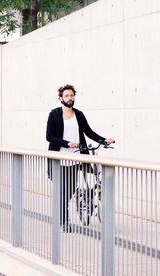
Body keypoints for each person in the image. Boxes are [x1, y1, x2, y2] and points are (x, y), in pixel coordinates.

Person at [46, 84, 114, 232]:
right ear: (60, 98)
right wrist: (66, 144)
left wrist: (103, 140)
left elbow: (89, 132)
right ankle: (64, 221)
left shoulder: (79, 115)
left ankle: (67, 212)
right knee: (63, 192)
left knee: (69, 190)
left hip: (75, 159)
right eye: (66, 96)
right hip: (59, 159)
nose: (70, 98)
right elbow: (49, 137)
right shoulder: (54, 114)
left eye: (72, 95)